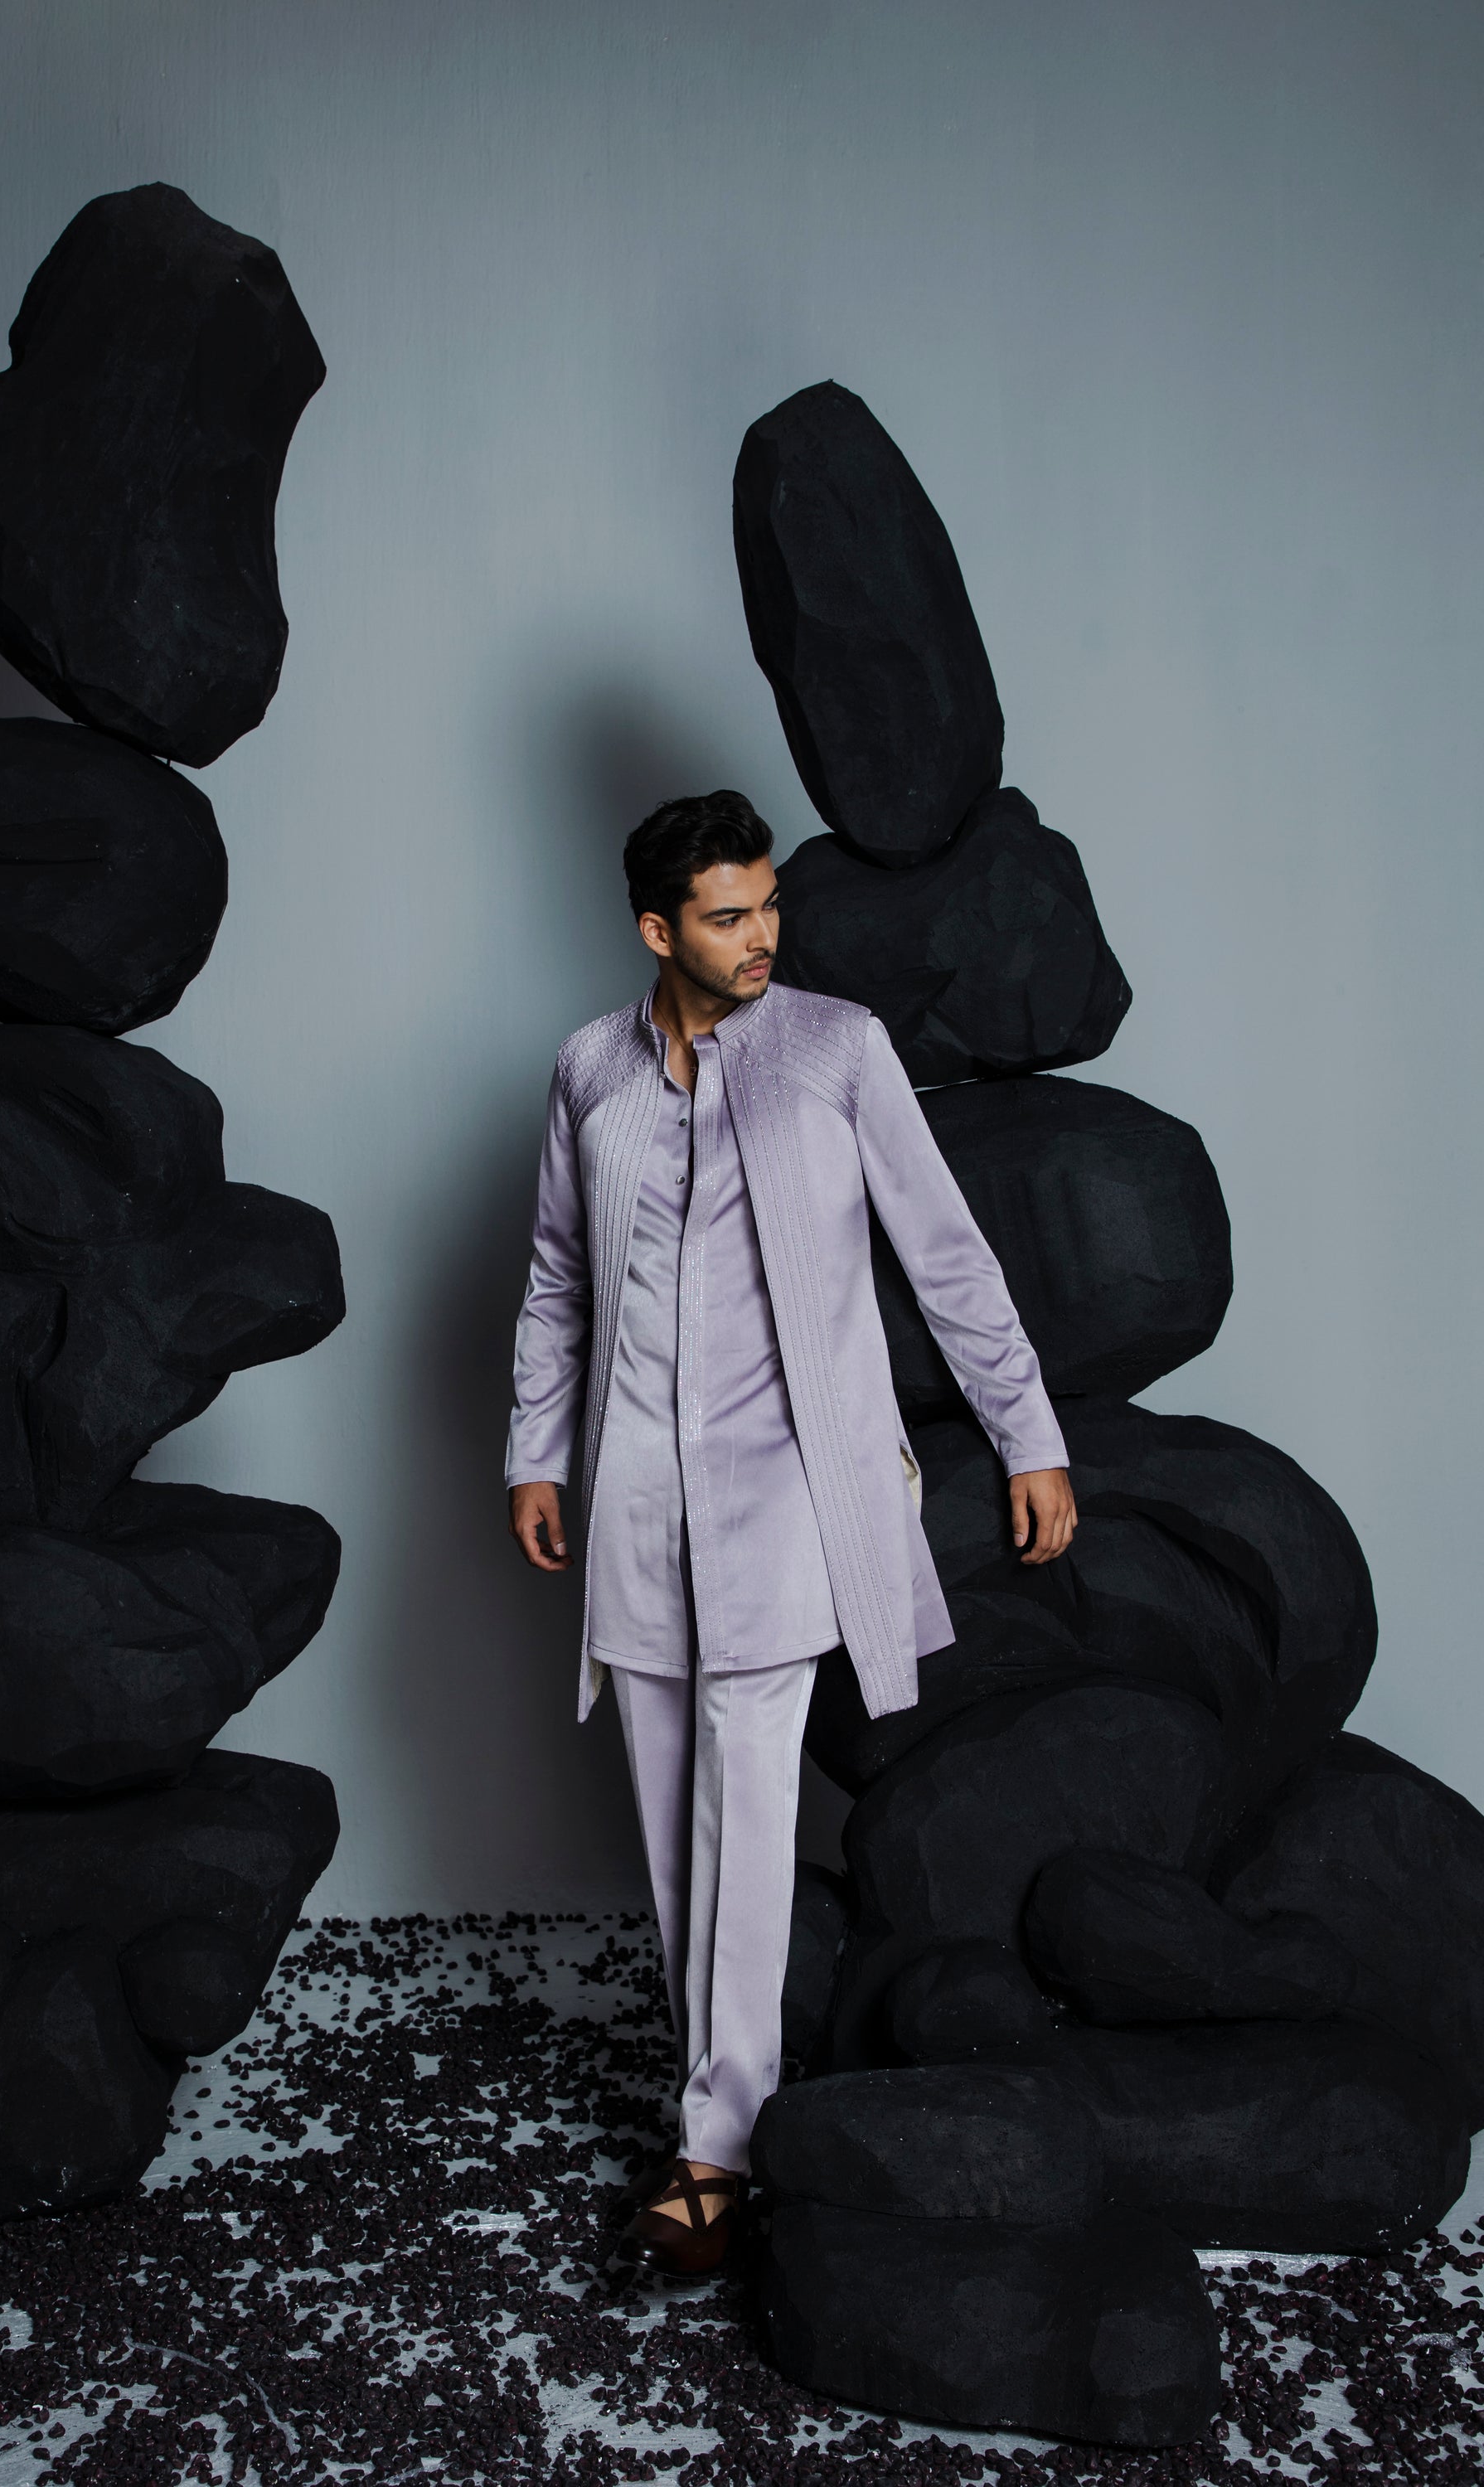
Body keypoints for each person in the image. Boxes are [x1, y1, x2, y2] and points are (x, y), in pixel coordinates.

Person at [505, 789, 1075, 2278]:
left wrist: (1028, 1433)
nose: (762, 936)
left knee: (746, 1812)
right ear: (657, 930)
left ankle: (716, 2146)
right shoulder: (588, 1069)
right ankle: (721, 2097)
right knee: (672, 1818)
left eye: (768, 907)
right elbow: (558, 1274)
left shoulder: (837, 1049)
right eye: (728, 917)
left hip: (786, 1492)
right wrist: (534, 1453)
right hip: (636, 1492)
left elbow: (946, 1254)